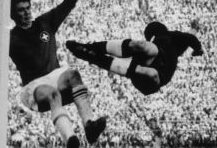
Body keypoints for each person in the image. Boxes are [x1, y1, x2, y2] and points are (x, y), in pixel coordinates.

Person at [8, 0, 107, 148]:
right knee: (52, 94)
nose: (26, 13)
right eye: (21, 10)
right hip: (34, 86)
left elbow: (69, 2)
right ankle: (70, 140)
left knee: (73, 75)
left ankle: (89, 126)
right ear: (13, 14)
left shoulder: (44, 23)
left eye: (28, 8)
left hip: (55, 75)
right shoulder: (11, 39)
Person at [66, 20, 203, 95]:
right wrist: (197, 46)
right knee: (145, 51)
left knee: (148, 63)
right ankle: (89, 50)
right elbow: (190, 36)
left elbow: (189, 37)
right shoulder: (170, 43)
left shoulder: (171, 38)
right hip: (146, 72)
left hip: (155, 77)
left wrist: (198, 47)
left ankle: (91, 53)